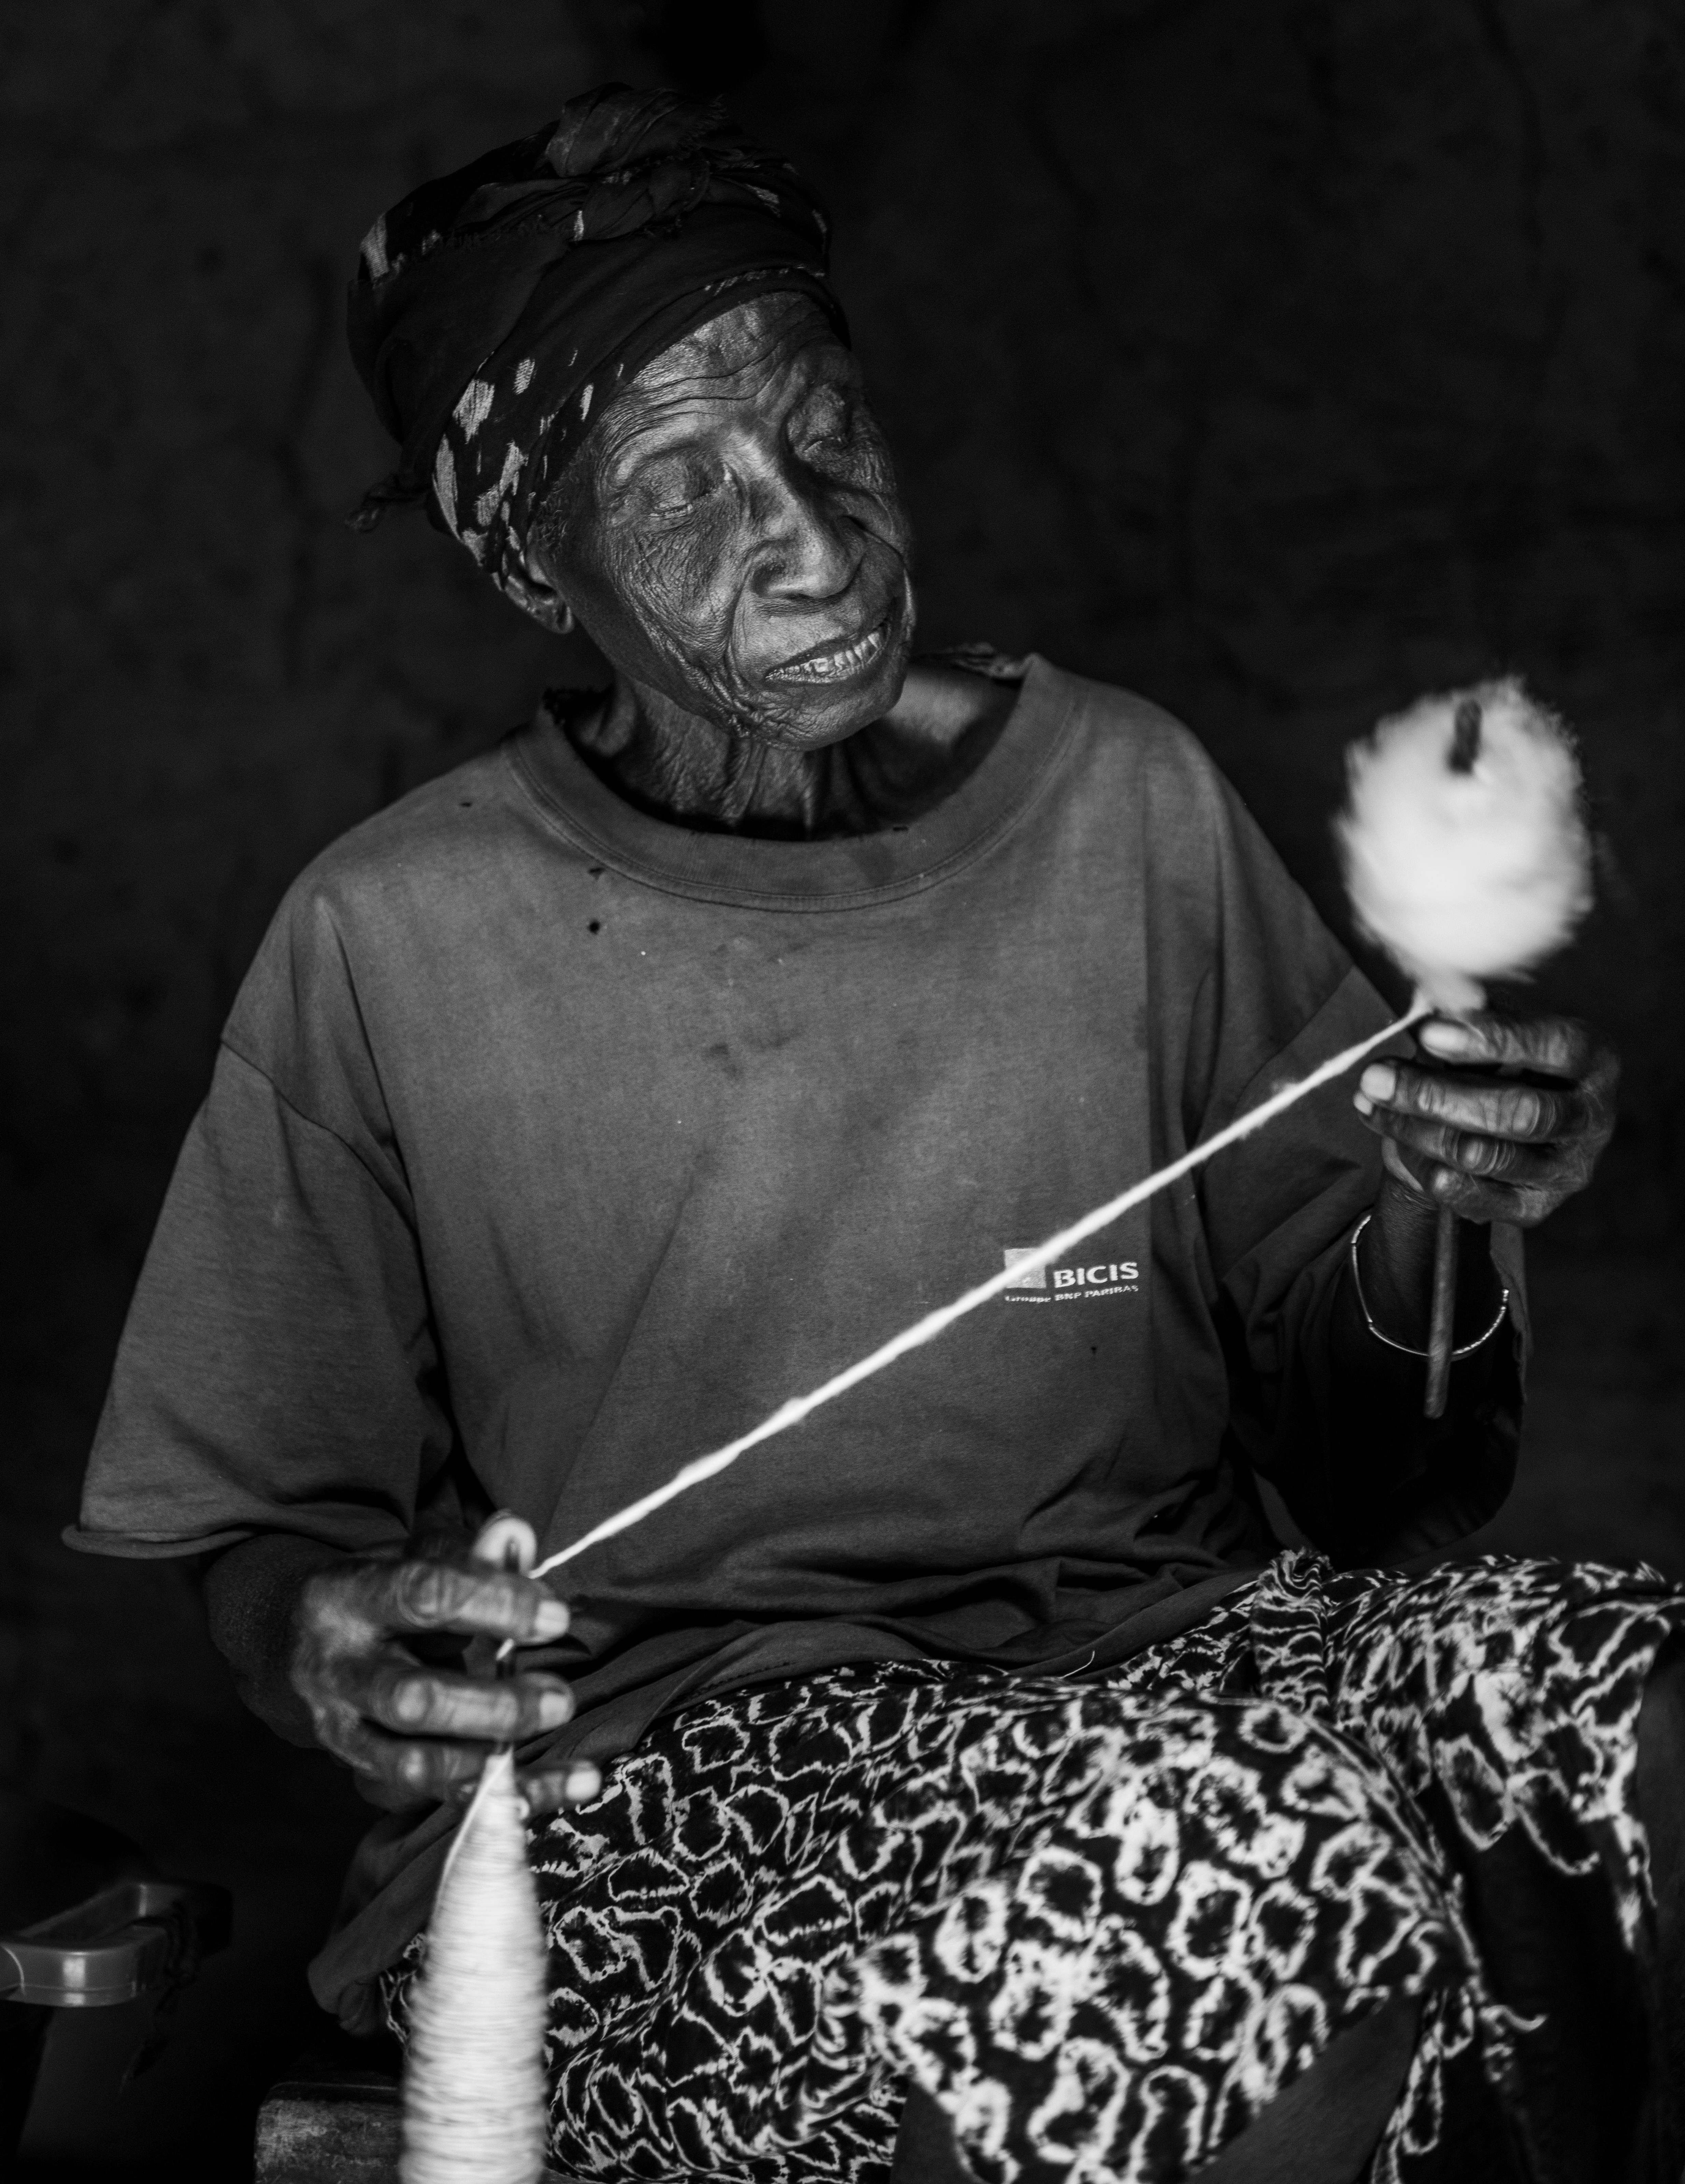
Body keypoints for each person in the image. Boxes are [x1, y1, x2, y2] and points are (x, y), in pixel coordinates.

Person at [71, 84, 1674, 2184]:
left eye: (821, 431)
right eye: (678, 487)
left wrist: (1441, 1213)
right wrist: (321, 1634)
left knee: (1639, 1716)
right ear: (541, 567)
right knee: (1247, 1897)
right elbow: (252, 1526)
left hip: (1186, 1661)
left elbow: (1381, 1465)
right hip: (680, 1785)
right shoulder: (392, 936)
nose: (809, 540)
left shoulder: (1126, 798)